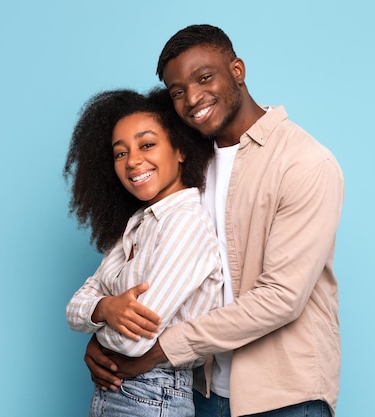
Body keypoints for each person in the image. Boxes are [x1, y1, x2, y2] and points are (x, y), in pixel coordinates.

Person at [83, 24, 344, 417]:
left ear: (237, 70)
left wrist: (155, 351)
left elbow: (282, 298)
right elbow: (138, 264)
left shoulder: (304, 163)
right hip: (198, 392)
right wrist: (104, 333)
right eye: (177, 92)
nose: (193, 98)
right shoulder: (186, 164)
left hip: (284, 397)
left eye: (204, 77)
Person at [64, 87, 224, 417]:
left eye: (147, 144)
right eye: (120, 153)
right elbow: (74, 309)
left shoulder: (185, 224)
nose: (133, 160)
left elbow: (134, 342)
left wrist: (97, 329)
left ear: (180, 149)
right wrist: (107, 307)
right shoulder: (139, 223)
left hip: (153, 394)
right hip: (120, 391)